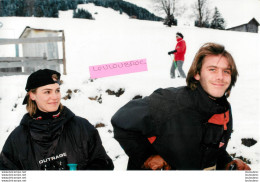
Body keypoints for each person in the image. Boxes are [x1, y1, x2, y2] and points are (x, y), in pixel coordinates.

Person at [111, 43, 251, 170]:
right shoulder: (169, 103)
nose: (220, 77)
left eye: (226, 71)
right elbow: (120, 120)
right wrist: (146, 156)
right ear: (197, 74)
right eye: (212, 69)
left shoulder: (223, 109)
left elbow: (209, 148)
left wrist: (227, 163)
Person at [0, 69, 114, 170]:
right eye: (47, 92)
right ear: (32, 95)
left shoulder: (81, 127)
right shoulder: (18, 138)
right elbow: (6, 175)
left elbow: (103, 163)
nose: (55, 97)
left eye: (57, 90)